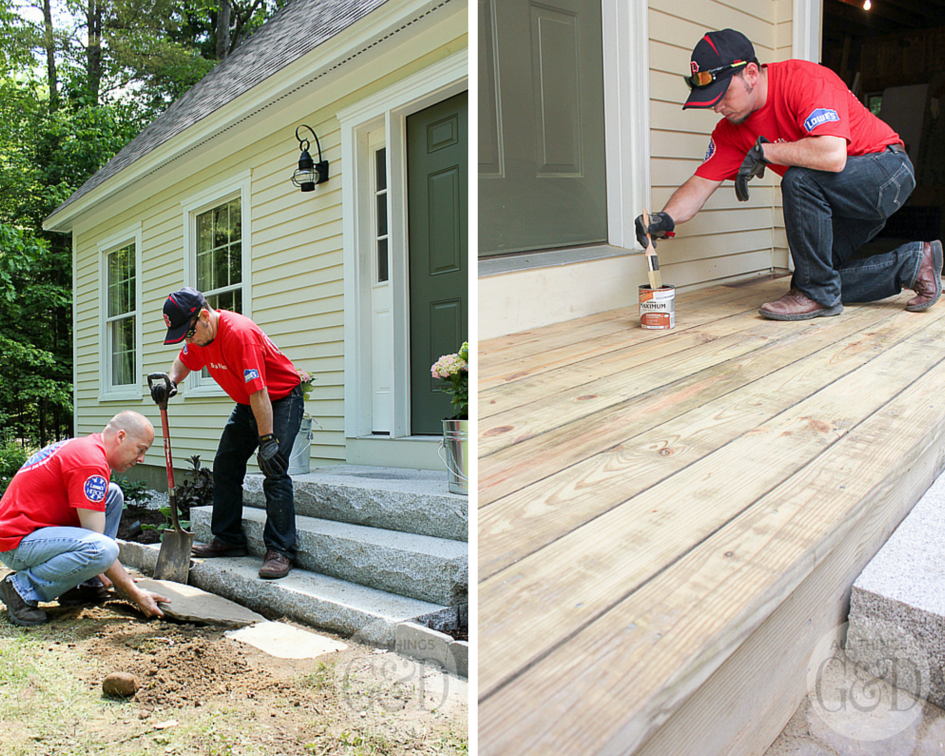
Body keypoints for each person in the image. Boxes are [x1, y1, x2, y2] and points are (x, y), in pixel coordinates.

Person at [636, 28, 942, 321]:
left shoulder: (805, 81)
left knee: (799, 179)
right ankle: (914, 264)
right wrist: (665, 219)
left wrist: (765, 152)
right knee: (810, 279)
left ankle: (818, 295)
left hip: (887, 172)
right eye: (710, 99)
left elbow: (833, 156)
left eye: (723, 93)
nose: (717, 107)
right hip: (841, 200)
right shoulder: (731, 130)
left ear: (751, 74)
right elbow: (700, 184)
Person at [153, 287, 304, 580]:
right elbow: (184, 360)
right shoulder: (198, 336)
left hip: (281, 398)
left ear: (205, 317)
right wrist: (171, 381)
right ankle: (229, 539)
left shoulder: (239, 334)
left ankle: (280, 550)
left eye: (189, 332)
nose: (188, 339)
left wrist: (268, 440)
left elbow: (260, 392)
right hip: (250, 401)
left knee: (273, 466)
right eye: (183, 334)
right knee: (225, 464)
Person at [0, 411, 170, 627]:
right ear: (121, 437)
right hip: (17, 542)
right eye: (141, 449)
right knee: (103, 550)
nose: (141, 458)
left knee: (112, 494)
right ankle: (21, 589)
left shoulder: (89, 449)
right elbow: (96, 541)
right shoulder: (90, 462)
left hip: (33, 531)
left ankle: (84, 584)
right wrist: (134, 592)